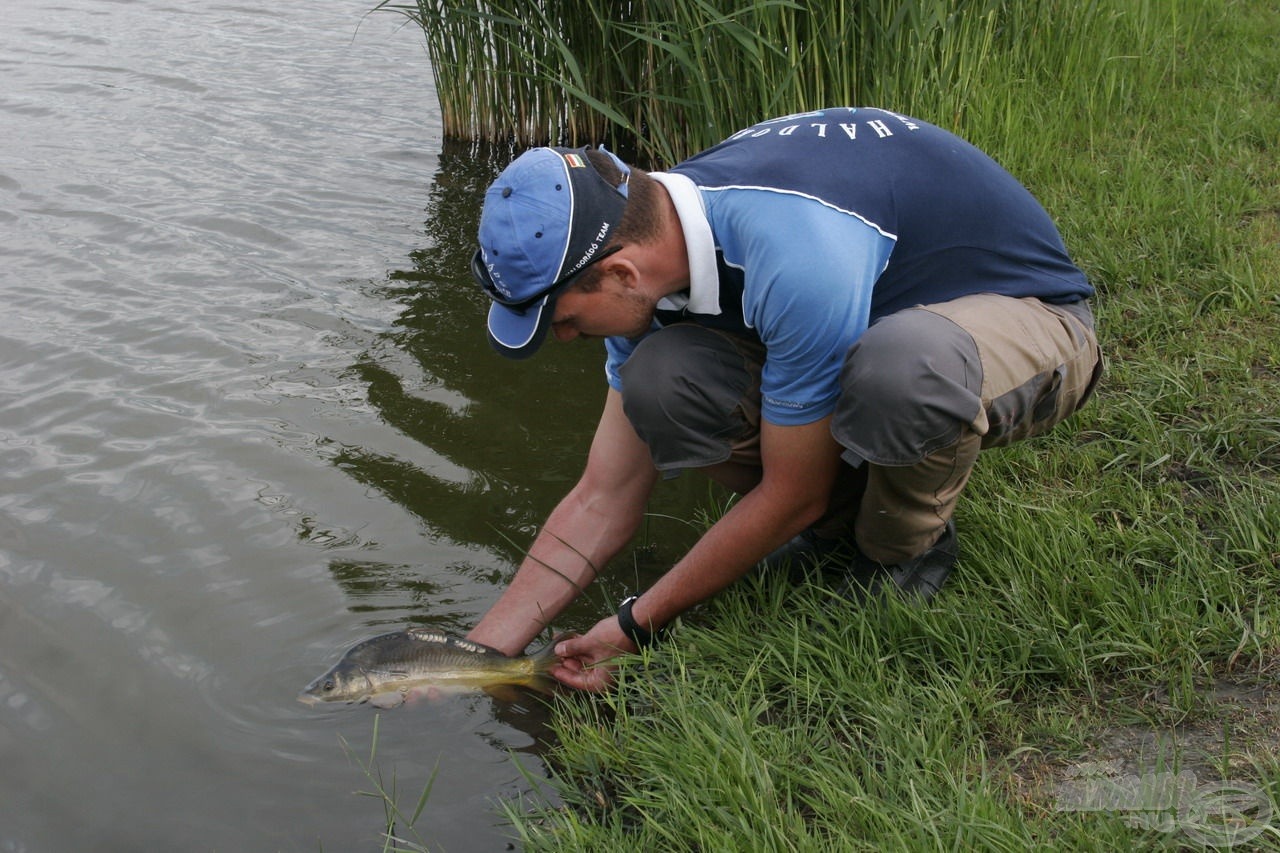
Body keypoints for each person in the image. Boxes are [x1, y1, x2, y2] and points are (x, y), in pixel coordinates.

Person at [464, 107, 1102, 691]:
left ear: (622, 273)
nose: (568, 337)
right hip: (883, 326)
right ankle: (840, 530)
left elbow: (795, 490)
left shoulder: (793, 250)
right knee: (661, 383)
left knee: (901, 370)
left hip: (1031, 321)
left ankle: (902, 554)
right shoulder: (656, 243)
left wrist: (634, 624)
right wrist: (476, 659)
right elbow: (602, 496)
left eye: (565, 320)